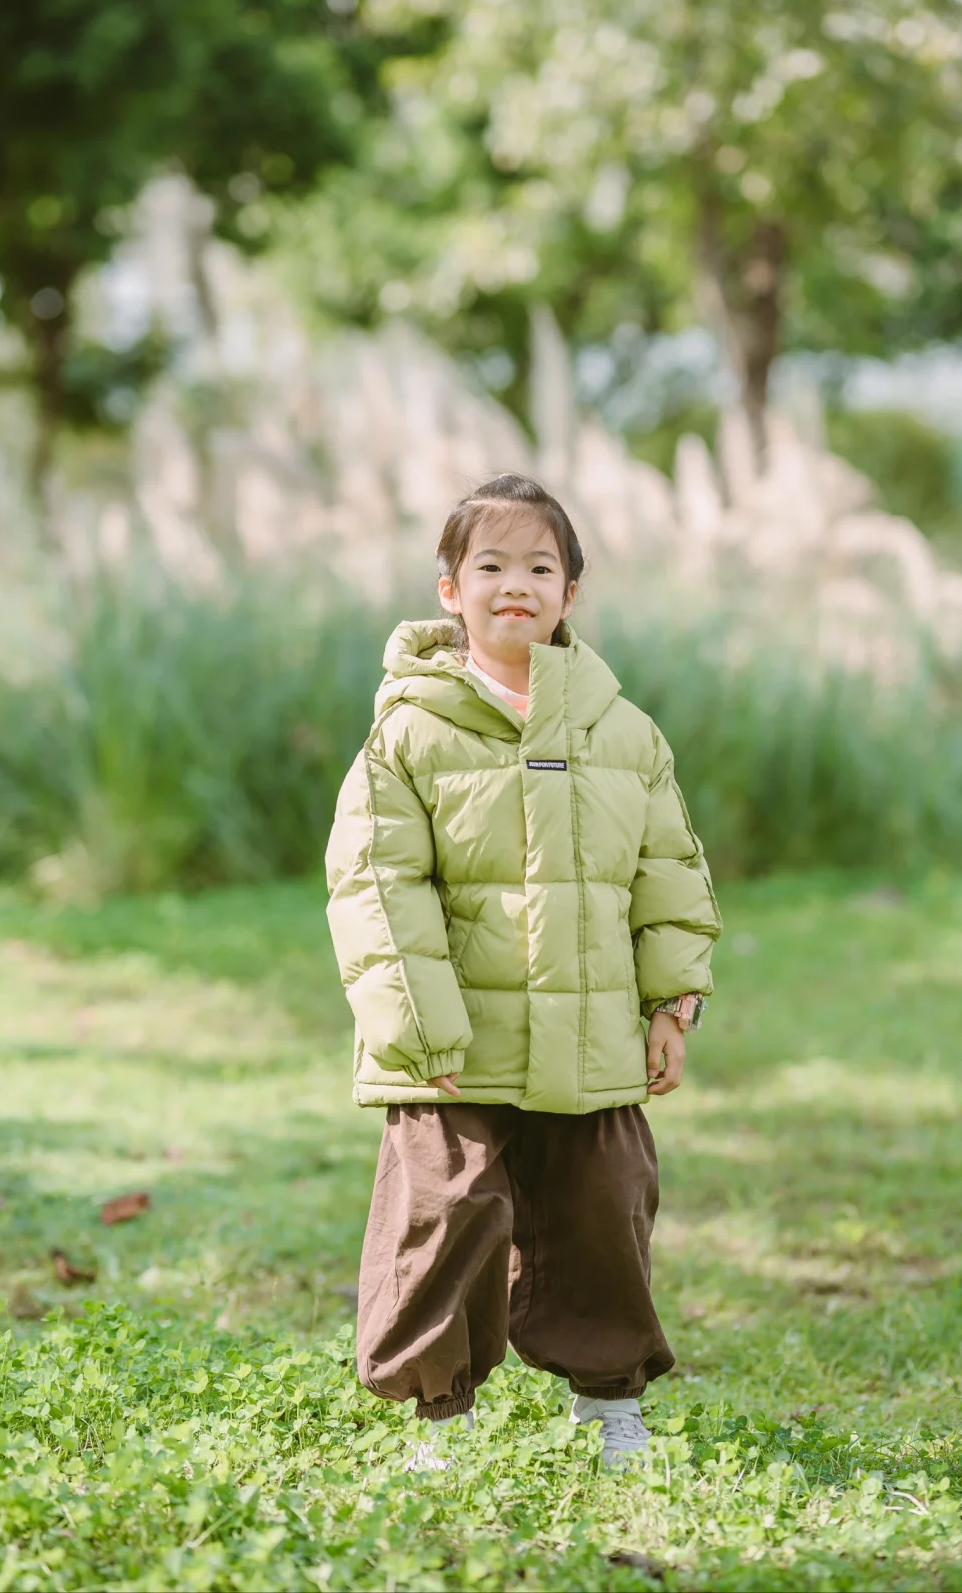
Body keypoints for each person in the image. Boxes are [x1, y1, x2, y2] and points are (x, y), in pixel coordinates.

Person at [324, 473, 721, 1468]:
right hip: (451, 1040)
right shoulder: (408, 732)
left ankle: (608, 1398)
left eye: (540, 566)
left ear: (571, 593)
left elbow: (667, 872)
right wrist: (416, 1019)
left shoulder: (625, 735)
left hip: (588, 1037)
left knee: (606, 1204)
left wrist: (670, 1001)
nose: (516, 583)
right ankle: (439, 1412)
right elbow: (376, 882)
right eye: (490, 564)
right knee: (445, 1212)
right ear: (450, 588)